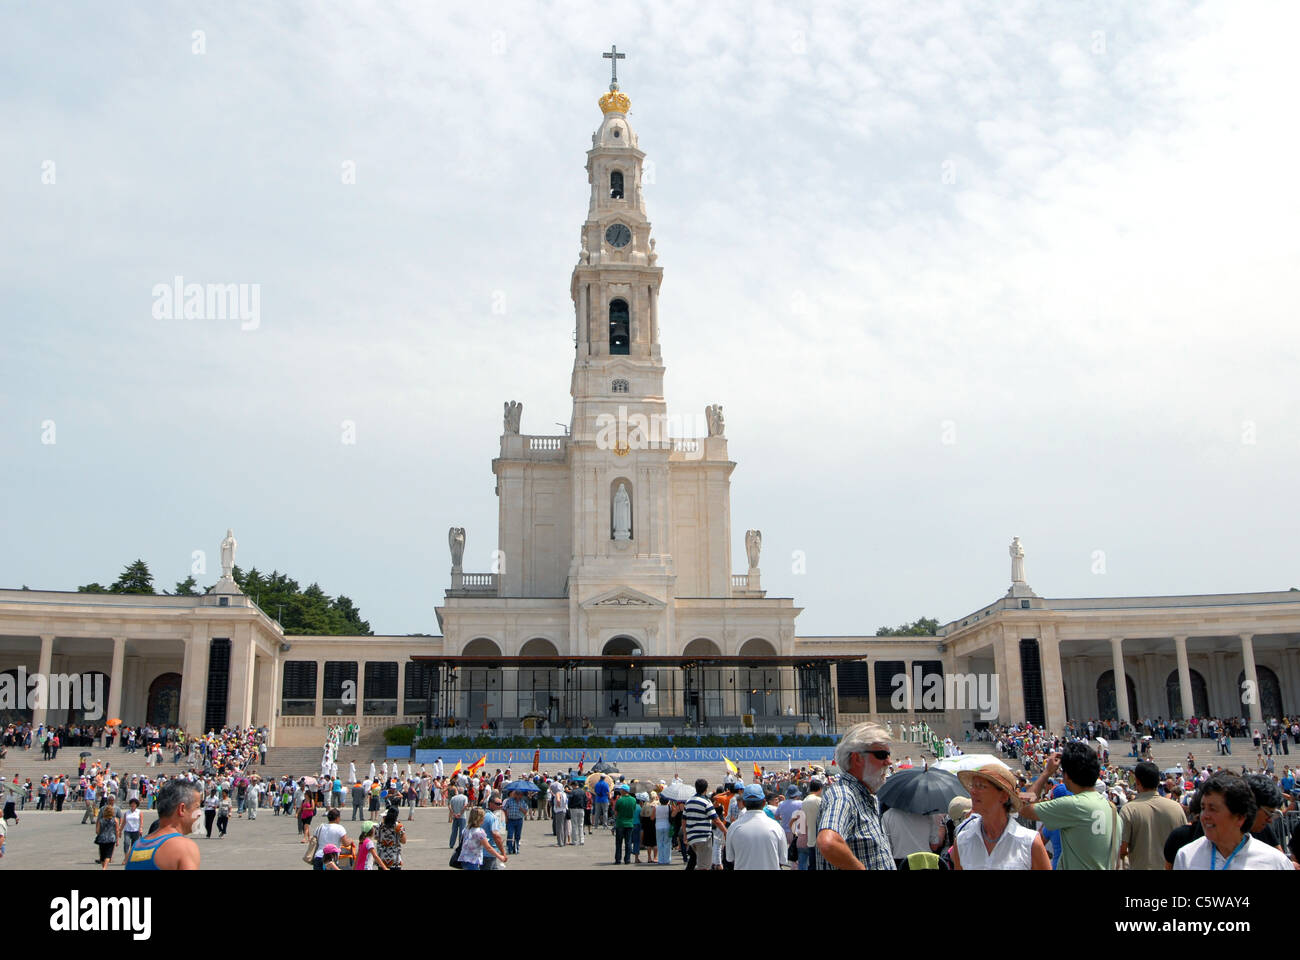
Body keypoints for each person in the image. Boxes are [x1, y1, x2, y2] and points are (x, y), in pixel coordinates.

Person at [1018, 742, 1117, 870]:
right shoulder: (1110, 808)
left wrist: (1046, 772)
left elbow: (1022, 807)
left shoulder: (1074, 805)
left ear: (1067, 776)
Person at [816, 722, 895, 870]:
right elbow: (828, 842)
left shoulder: (865, 795)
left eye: (889, 754)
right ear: (857, 758)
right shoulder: (843, 796)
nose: (889, 761)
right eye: (881, 755)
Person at [1173, 773, 1292, 869]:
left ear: (1240, 817)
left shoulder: (1275, 863)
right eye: (1203, 808)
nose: (1204, 816)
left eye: (1213, 809)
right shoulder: (1186, 856)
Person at [951, 761, 1050, 870]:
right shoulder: (962, 841)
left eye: (981, 786)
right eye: (973, 786)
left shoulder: (1030, 842)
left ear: (1003, 796)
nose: (973, 791)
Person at [1119, 761, 1187, 870]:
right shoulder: (1176, 808)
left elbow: (1122, 849)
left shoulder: (1128, 810)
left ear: (1137, 781)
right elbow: (1185, 845)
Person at [125, 778, 202, 870]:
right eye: (197, 807)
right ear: (182, 809)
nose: (200, 813)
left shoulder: (136, 847)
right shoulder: (184, 848)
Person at [725, 784, 788, 870]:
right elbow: (783, 860)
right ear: (763, 802)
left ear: (743, 803)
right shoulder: (776, 827)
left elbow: (730, 858)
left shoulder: (733, 828)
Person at [683, 778, 725, 870]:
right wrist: (726, 831)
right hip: (703, 838)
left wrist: (685, 835)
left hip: (692, 838)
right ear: (706, 789)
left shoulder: (688, 801)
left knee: (699, 862)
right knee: (704, 866)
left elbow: (684, 820)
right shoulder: (706, 802)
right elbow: (716, 820)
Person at [93, 794, 121, 869]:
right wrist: (117, 840)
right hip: (111, 838)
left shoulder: (101, 820)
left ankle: (104, 867)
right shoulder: (115, 820)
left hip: (102, 838)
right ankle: (104, 867)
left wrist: (98, 833)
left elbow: (97, 831)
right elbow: (117, 830)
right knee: (108, 854)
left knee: (102, 854)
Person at [376, 805, 407, 870]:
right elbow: (404, 841)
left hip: (382, 858)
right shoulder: (399, 826)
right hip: (394, 859)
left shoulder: (379, 826)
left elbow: (376, 838)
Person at [614, 784, 638, 864]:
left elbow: (616, 813)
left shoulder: (620, 800)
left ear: (624, 791)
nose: (620, 791)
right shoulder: (633, 800)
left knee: (618, 843)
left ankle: (618, 859)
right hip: (630, 823)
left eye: (621, 790)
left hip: (620, 823)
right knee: (628, 842)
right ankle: (627, 859)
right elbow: (633, 810)